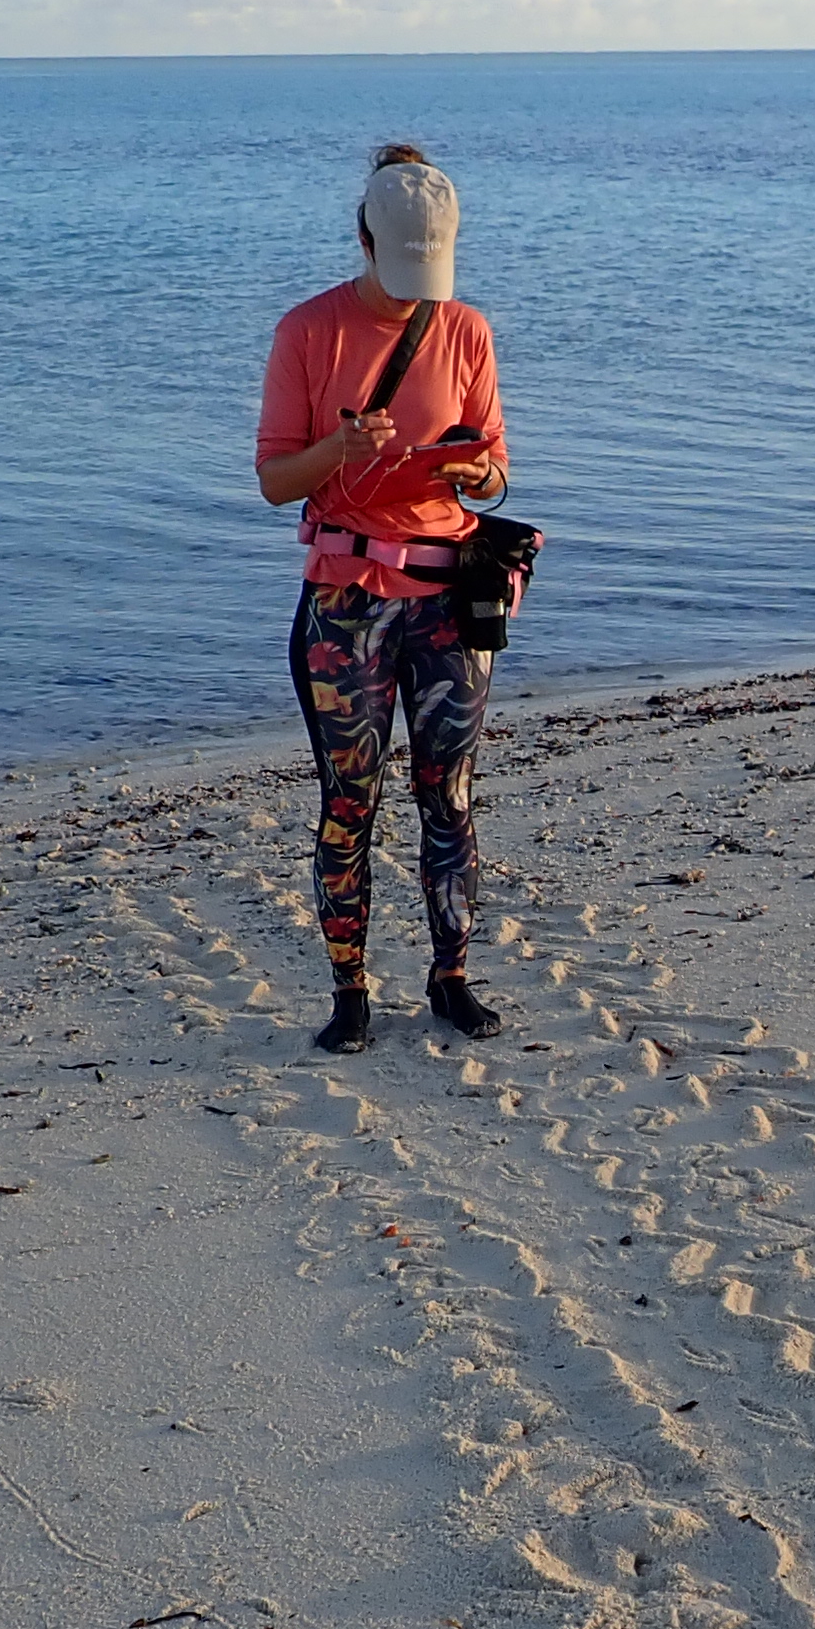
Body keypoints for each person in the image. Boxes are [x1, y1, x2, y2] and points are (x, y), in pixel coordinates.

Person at [254, 143, 512, 1053]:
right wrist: (339, 452)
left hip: (449, 599)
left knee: (450, 796)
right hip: (347, 603)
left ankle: (451, 978)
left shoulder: (466, 329)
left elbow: (494, 475)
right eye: (400, 270)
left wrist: (479, 470)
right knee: (349, 800)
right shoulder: (307, 333)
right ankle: (349, 991)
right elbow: (275, 481)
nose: (415, 293)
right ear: (364, 239)